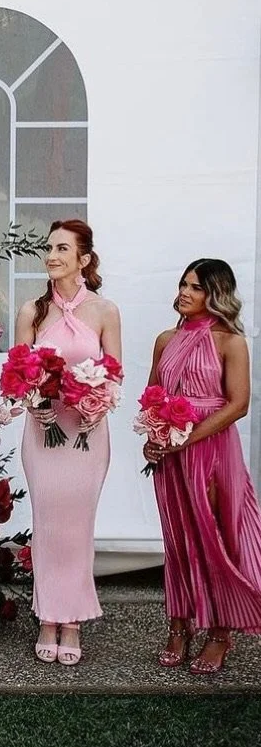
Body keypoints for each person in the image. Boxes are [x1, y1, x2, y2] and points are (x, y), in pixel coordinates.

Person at [144, 258, 261, 673]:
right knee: (177, 540)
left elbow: (239, 404)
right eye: (182, 284)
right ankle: (179, 624)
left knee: (214, 535)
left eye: (195, 287)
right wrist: (152, 442)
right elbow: (153, 397)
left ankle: (220, 633)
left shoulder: (230, 341)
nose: (184, 292)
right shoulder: (164, 339)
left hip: (212, 451)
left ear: (216, 295)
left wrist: (186, 438)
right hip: (170, 456)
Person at [14, 220, 121, 666]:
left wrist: (97, 405)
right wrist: (34, 403)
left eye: (62, 248)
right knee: (49, 525)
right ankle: (47, 617)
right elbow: (20, 372)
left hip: (87, 433)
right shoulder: (31, 312)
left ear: (85, 259)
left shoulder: (105, 311)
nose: (52, 255)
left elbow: (113, 372)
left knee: (77, 530)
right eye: (49, 248)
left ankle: (72, 620)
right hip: (44, 432)